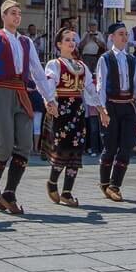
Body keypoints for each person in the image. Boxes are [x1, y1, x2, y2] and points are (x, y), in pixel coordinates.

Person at [0, 1, 55, 215]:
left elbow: (37, 71)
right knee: (5, 146)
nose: (17, 17)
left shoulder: (26, 42)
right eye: (13, 13)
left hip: (21, 92)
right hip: (0, 92)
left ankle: (9, 192)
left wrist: (50, 98)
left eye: (19, 14)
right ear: (4, 16)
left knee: (25, 145)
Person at [92, 21, 136, 201]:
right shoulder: (105, 59)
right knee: (110, 147)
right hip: (111, 106)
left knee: (127, 145)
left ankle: (115, 185)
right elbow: (101, 87)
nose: (125, 37)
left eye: (126, 34)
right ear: (111, 37)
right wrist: (102, 110)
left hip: (128, 106)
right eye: (121, 33)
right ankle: (105, 183)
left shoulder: (132, 59)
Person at [41, 29, 101, 206]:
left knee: (76, 151)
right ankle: (52, 182)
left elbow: (90, 88)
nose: (71, 42)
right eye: (67, 40)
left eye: (73, 40)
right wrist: (49, 102)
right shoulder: (55, 64)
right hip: (61, 110)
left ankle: (67, 192)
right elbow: (48, 84)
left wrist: (101, 109)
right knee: (62, 149)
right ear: (59, 44)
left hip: (78, 110)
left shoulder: (82, 66)